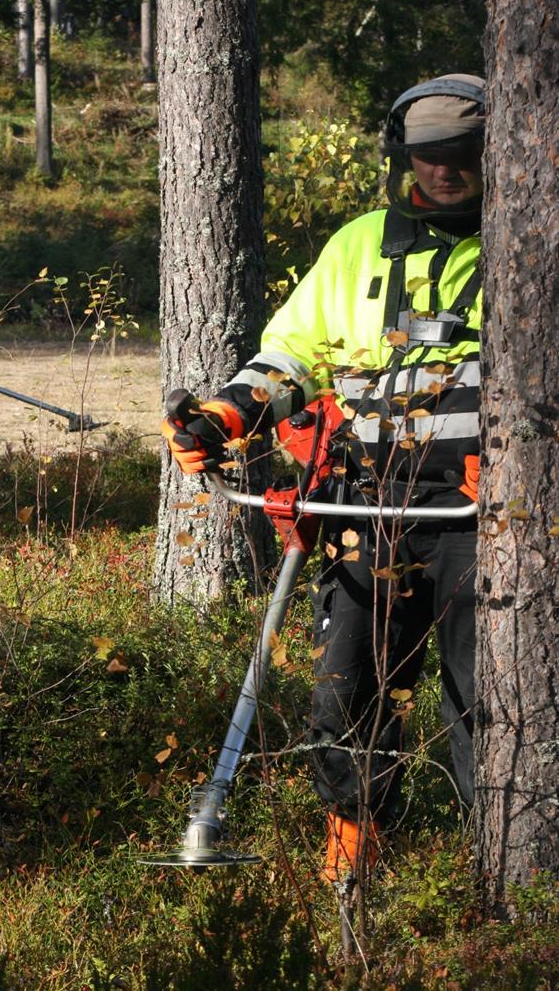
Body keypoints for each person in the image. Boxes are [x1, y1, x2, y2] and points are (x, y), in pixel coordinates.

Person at [162, 74, 485, 882]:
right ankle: (355, 853)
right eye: (426, 157)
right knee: (344, 695)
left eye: (460, 156)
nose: (442, 172)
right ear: (401, 155)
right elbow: (293, 356)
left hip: (486, 519)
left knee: (486, 703)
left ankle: (499, 868)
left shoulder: (532, 238)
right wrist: (227, 415)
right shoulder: (357, 245)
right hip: (362, 508)